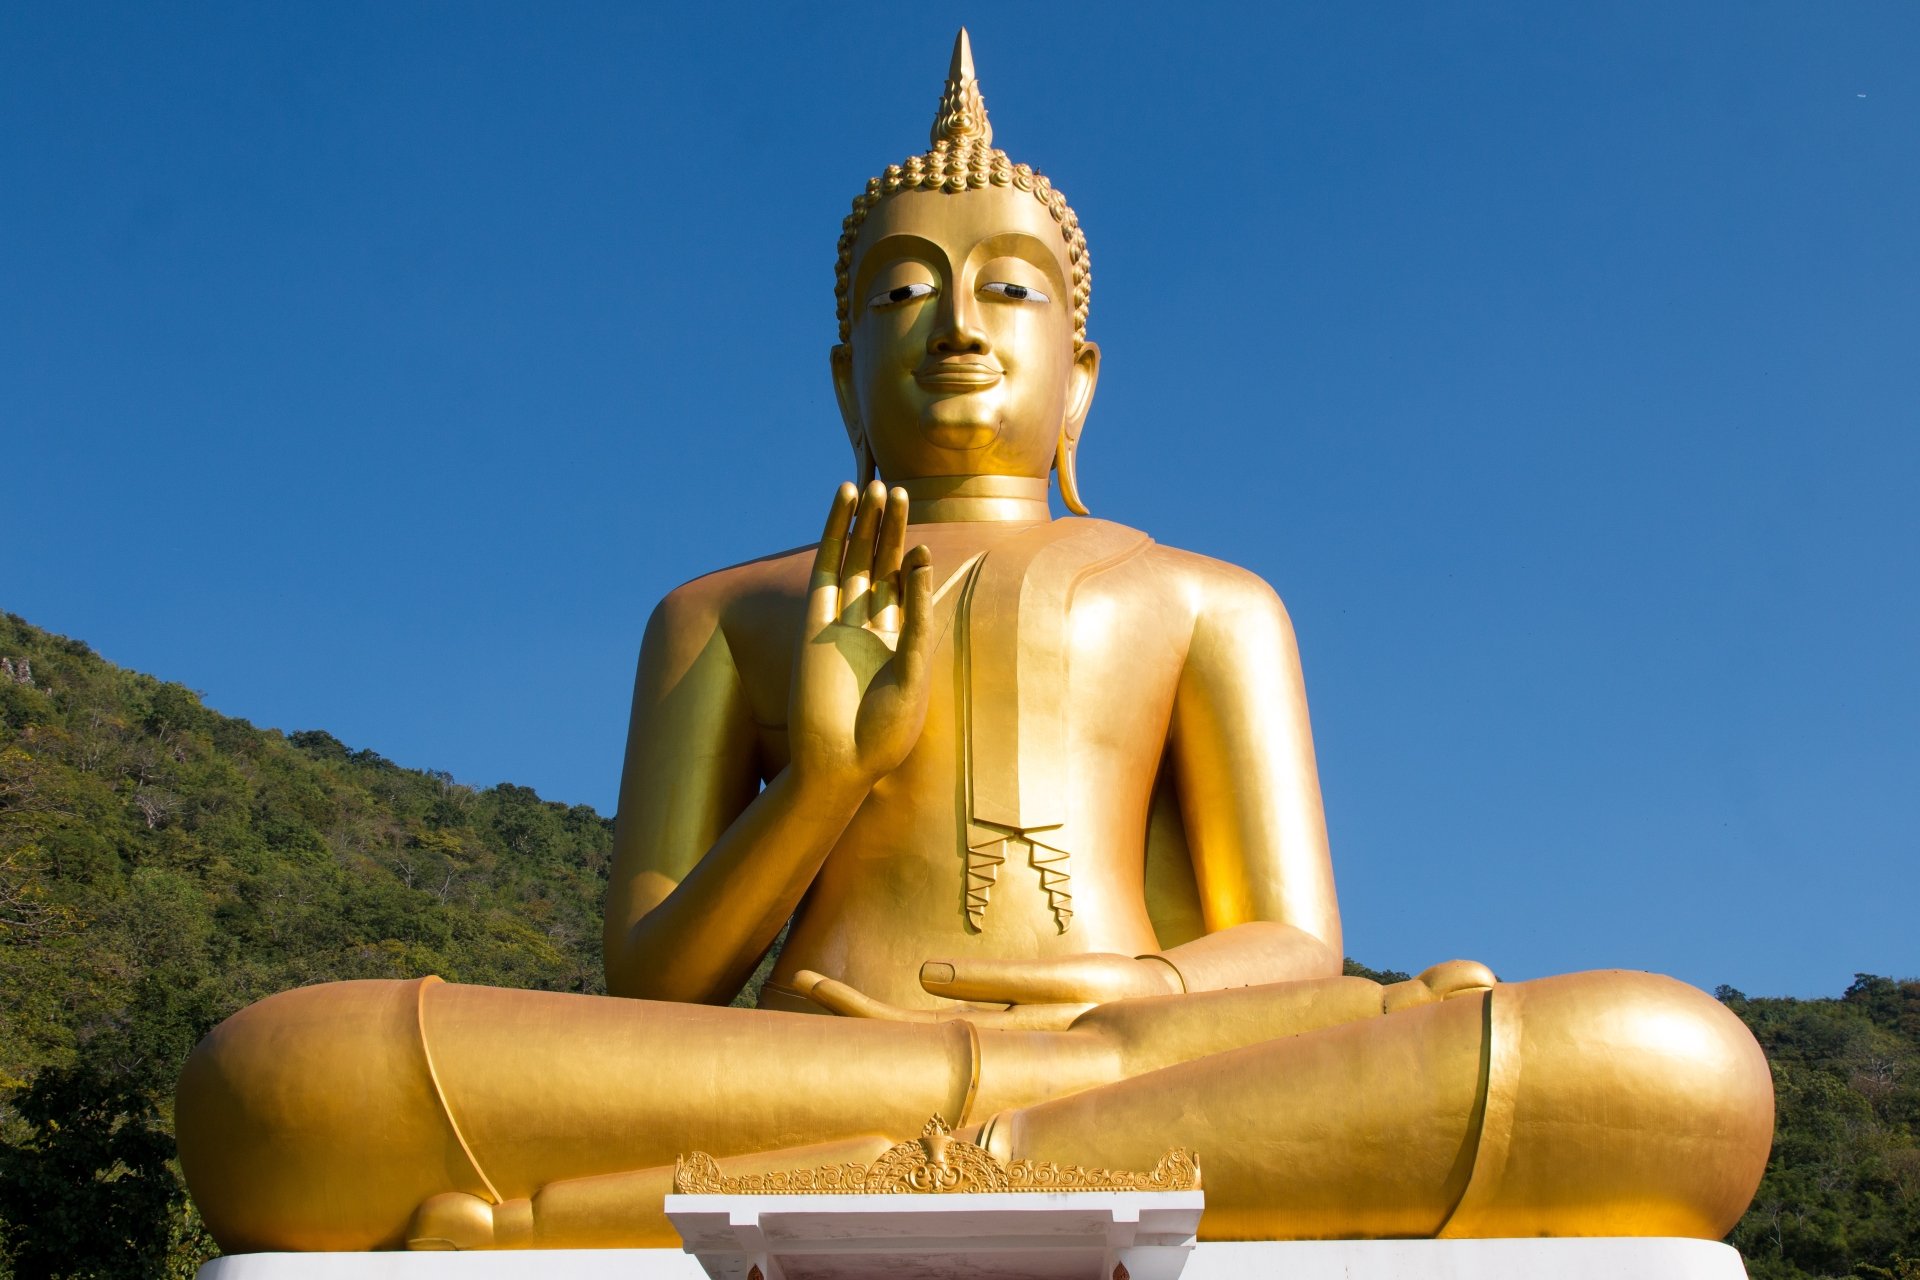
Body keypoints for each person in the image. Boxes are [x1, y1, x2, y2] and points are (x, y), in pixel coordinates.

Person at [175, 32, 1772, 1253]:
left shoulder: (1207, 598)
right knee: (281, 1086)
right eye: (905, 292)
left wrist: (1109, 1015)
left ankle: (643, 1200)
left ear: (1079, 376)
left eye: (1008, 291)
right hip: (828, 1069)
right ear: (840, 371)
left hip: (1144, 1050)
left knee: (1671, 1069)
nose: (956, 326)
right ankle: (986, 1138)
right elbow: (657, 980)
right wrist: (824, 783)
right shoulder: (726, 613)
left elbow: (1284, 939)